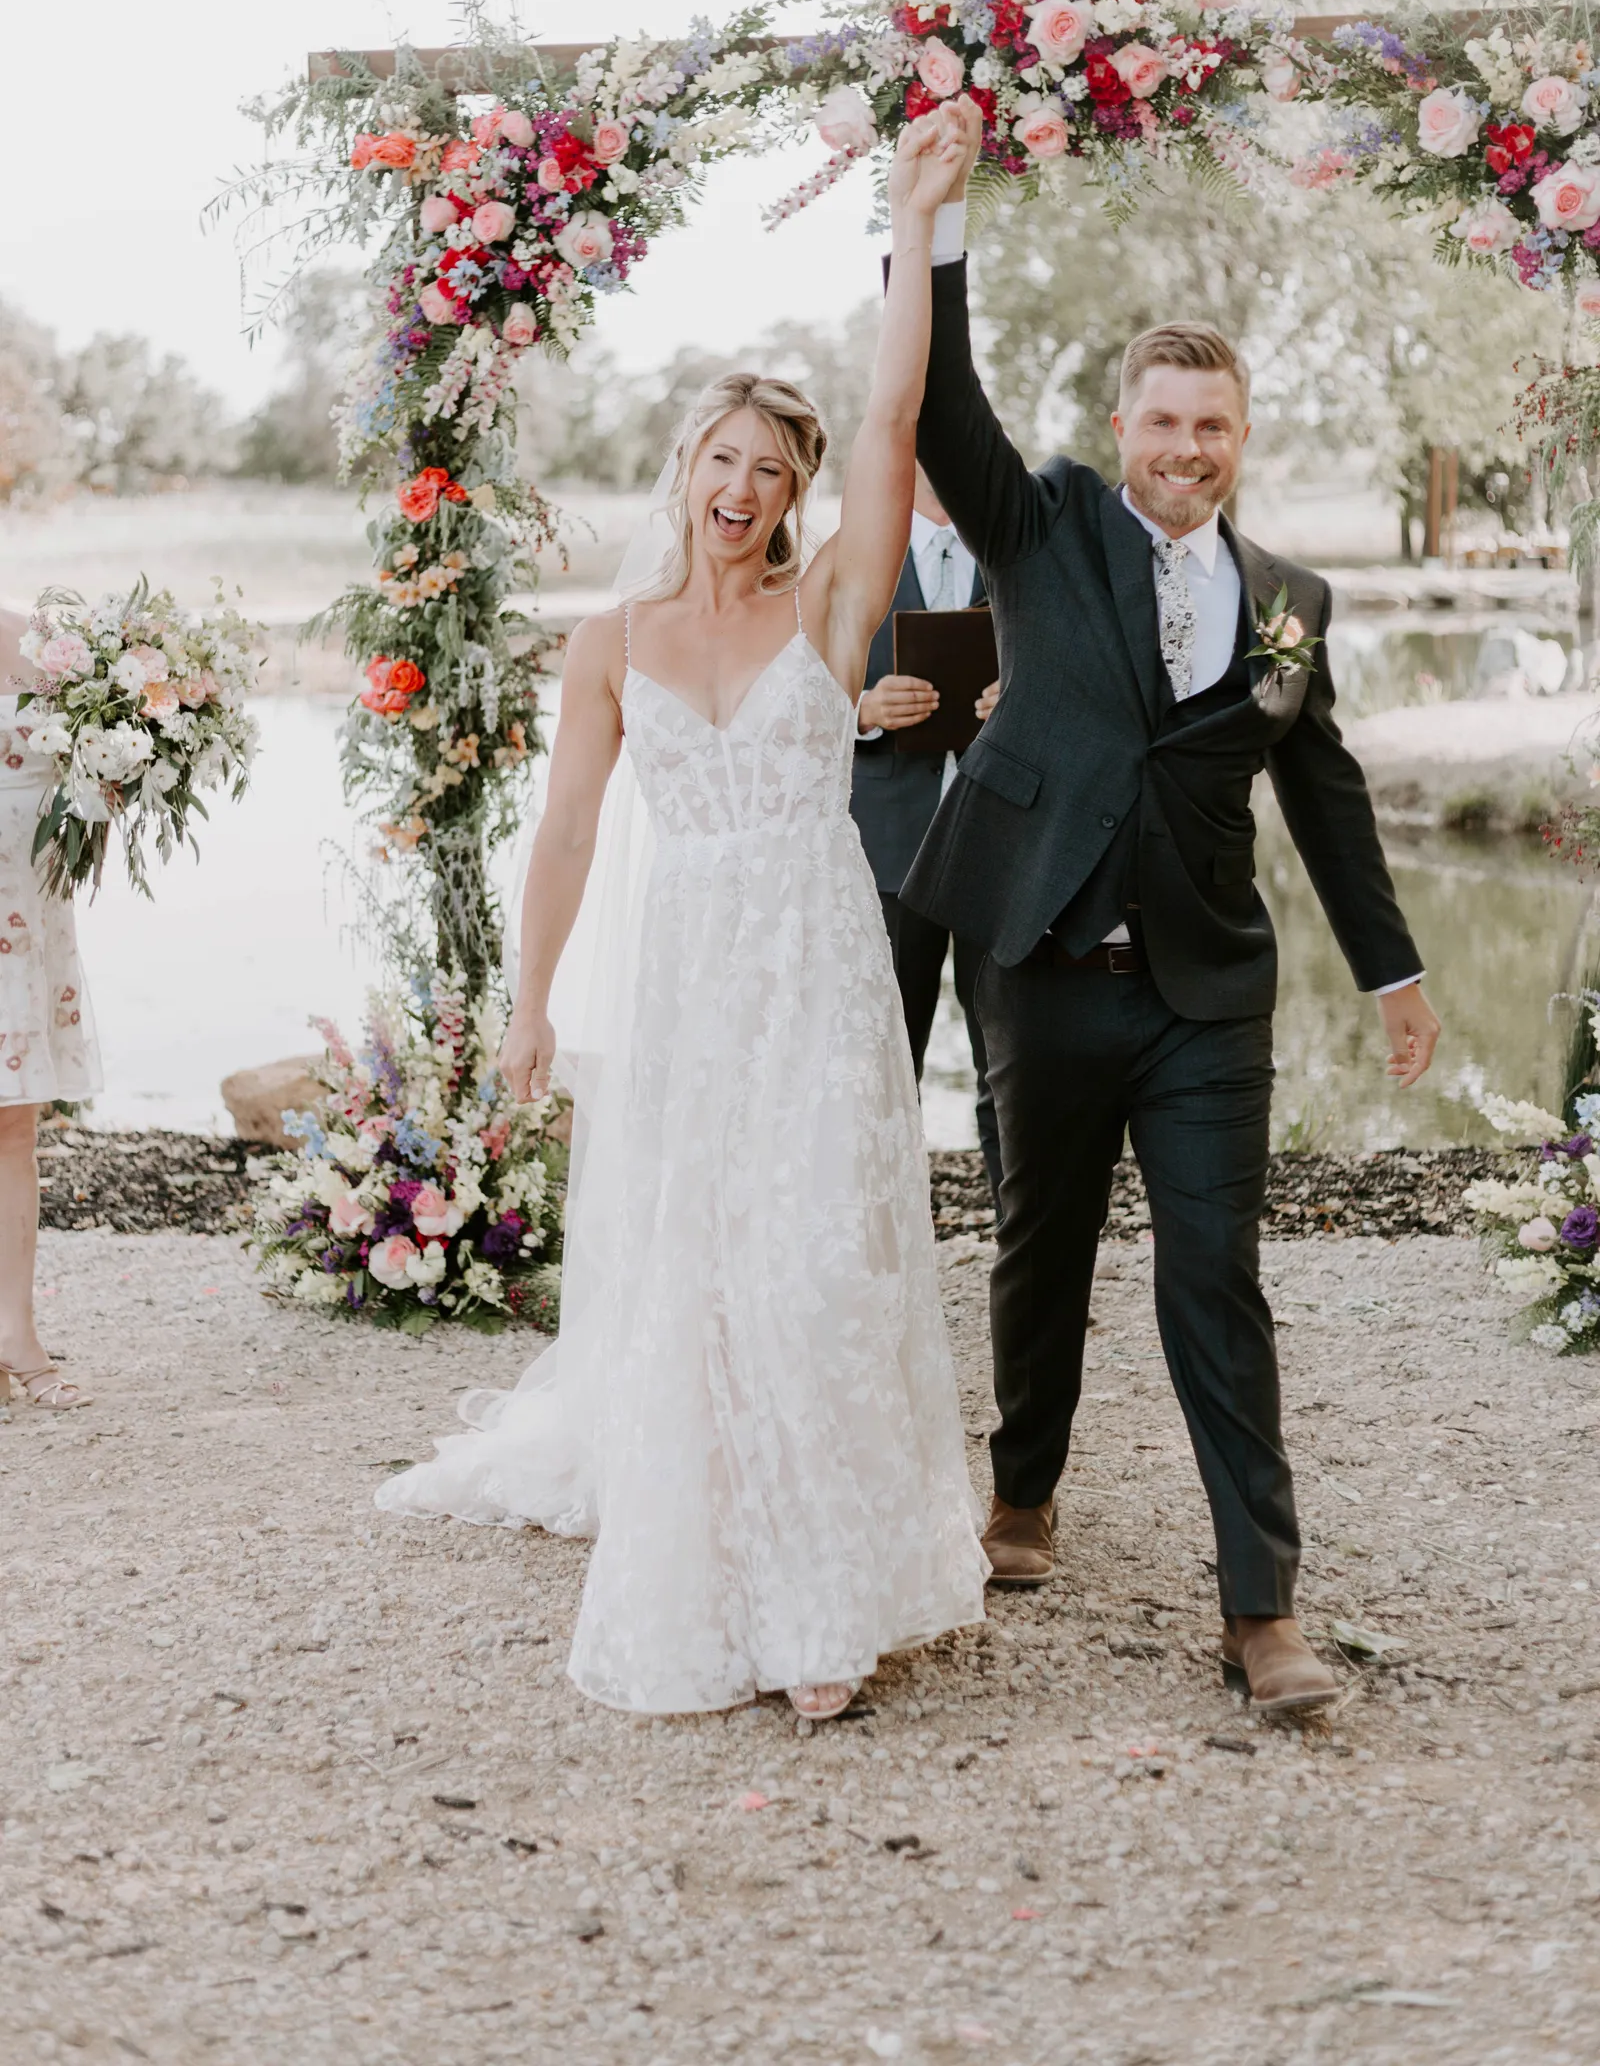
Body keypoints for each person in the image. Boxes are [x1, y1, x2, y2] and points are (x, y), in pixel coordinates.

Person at [376, 116, 989, 1721]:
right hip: (688, 981)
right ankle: (722, 1575)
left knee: (812, 1264)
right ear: (686, 468)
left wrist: (918, 223)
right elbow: (570, 831)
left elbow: (895, 414)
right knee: (702, 1274)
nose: (744, 487)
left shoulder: (829, 604)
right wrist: (530, 1007)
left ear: (793, 498)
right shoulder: (613, 642)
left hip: (817, 963)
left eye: (771, 471)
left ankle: (824, 1604)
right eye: (725, 459)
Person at [897, 94, 1440, 1715]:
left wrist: (1395, 971)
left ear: (1242, 436)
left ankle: (1261, 1610)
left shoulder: (1291, 603)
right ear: (1123, 424)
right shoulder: (1043, 523)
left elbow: (1324, 791)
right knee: (1040, 1246)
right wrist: (934, 227)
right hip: (1045, 965)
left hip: (1209, 993)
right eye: (1163, 421)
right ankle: (1024, 1488)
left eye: (1213, 425)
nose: (1185, 448)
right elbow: (940, 404)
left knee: (1216, 1280)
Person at [850, 466, 1001, 1198]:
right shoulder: (851, 554)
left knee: (1009, 1062)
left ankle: (1023, 1240)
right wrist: (862, 710)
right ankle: (877, 1236)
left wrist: (1022, 700)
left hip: (999, 844)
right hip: (885, 853)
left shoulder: (1015, 551)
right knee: (882, 1062)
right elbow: (792, 683)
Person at [0, 606, 101, 1410]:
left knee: (14, 1129)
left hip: (21, 924)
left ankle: (15, 1336)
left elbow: (93, 778)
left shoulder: (42, 643)